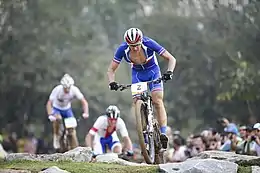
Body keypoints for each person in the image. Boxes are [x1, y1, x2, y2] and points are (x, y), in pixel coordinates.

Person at [107, 28, 177, 149]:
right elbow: (111, 69)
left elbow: (171, 59)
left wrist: (169, 72)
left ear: (141, 41)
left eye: (137, 45)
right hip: (138, 75)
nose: (134, 48)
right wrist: (112, 82)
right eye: (131, 45)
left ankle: (163, 133)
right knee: (137, 102)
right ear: (127, 44)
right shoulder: (122, 49)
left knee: (157, 101)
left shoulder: (149, 43)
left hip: (153, 72)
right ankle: (144, 132)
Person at [46, 73, 89, 150]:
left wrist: (86, 112)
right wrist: (50, 114)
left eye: (69, 88)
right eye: (65, 88)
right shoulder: (57, 89)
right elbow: (49, 103)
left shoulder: (74, 90)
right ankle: (56, 136)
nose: (67, 90)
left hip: (67, 109)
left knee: (71, 129)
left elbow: (84, 102)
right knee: (58, 119)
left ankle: (74, 148)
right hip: (57, 108)